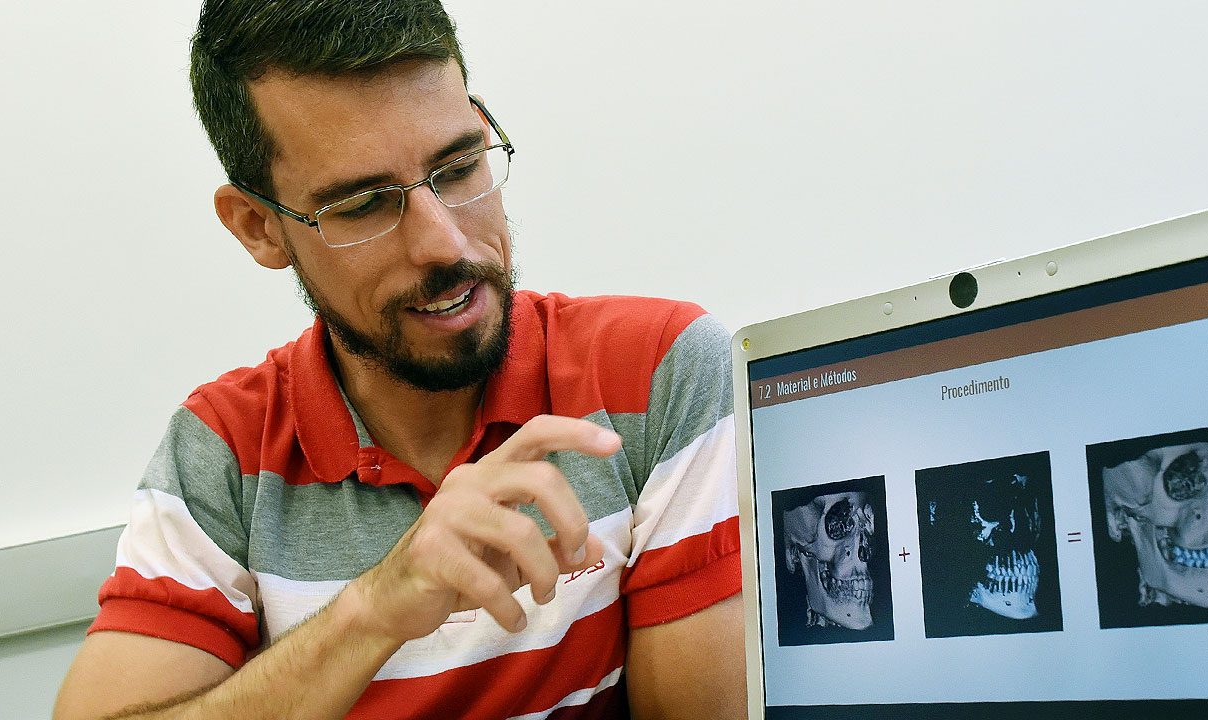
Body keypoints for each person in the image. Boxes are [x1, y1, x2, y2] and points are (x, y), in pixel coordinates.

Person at [52, 1, 745, 718]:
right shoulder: (224, 453)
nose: (443, 244)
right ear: (259, 227)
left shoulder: (659, 373)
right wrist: (374, 611)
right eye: (362, 205)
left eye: (459, 166)